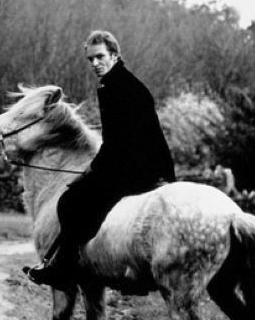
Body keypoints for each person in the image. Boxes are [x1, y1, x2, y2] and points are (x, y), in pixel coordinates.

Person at [25, 29, 175, 290]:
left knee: (71, 201)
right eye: (90, 59)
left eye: (100, 57)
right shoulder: (119, 83)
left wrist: (90, 171)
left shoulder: (119, 87)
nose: (95, 63)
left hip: (138, 169)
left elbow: (117, 143)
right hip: (139, 163)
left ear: (115, 55)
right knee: (79, 196)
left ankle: (64, 269)